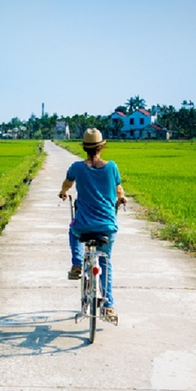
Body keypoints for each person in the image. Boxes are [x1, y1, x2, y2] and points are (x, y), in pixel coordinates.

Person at [58, 128, 127, 320]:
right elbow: (119, 189)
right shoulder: (112, 167)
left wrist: (63, 193)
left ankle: (76, 264)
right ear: (102, 147)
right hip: (107, 226)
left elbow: (66, 184)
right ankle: (109, 306)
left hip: (83, 225)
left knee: (73, 231)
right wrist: (121, 198)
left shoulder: (77, 167)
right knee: (105, 262)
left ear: (84, 148)